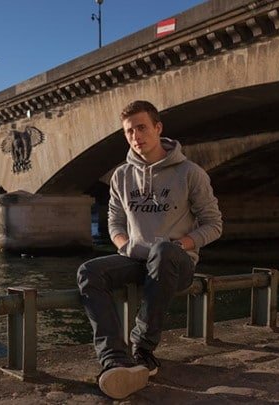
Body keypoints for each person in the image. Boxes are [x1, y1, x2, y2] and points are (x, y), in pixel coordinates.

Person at [77, 100, 223, 399]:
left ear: (158, 128)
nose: (135, 136)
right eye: (129, 131)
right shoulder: (120, 176)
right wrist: (124, 245)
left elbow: (214, 224)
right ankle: (114, 360)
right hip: (137, 259)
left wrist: (180, 244)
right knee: (89, 271)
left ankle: (143, 350)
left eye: (141, 128)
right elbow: (115, 222)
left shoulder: (190, 173)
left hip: (176, 262)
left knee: (162, 252)